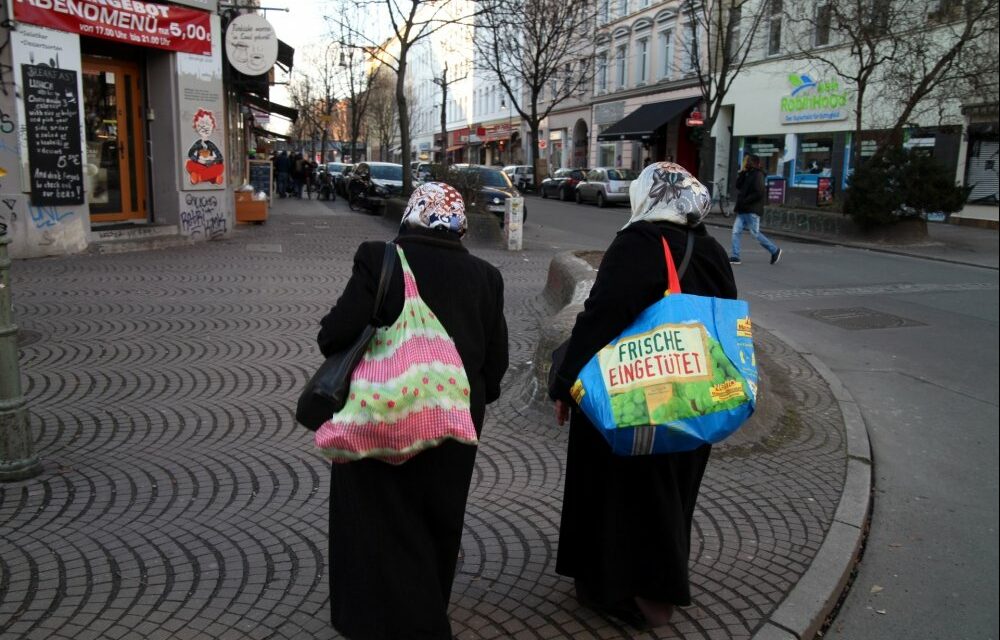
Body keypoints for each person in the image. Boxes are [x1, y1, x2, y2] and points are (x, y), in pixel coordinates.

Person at [316, 182, 509, 640]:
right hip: (452, 420)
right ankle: (426, 612)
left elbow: (334, 336)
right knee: (438, 521)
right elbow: (495, 363)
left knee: (374, 519)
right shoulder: (486, 277)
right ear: (460, 224)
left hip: (380, 413)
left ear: (410, 217)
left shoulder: (379, 259)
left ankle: (370, 619)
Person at [548, 161, 735, 630]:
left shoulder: (639, 244)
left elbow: (600, 318)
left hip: (635, 394)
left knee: (621, 492)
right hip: (694, 396)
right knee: (671, 493)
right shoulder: (708, 248)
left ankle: (624, 592)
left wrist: (565, 384)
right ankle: (660, 583)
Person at [730, 154, 781, 265]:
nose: (745, 163)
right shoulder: (747, 173)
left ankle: (774, 250)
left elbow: (759, 192)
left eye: (747, 161)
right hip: (743, 209)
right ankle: (735, 256)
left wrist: (745, 201)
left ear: (753, 162)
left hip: (752, 209)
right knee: (736, 232)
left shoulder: (758, 175)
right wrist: (742, 172)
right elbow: (738, 185)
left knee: (755, 233)